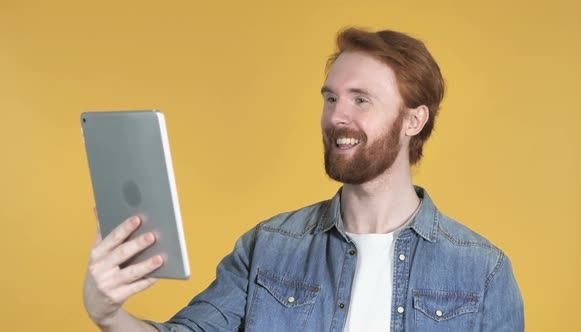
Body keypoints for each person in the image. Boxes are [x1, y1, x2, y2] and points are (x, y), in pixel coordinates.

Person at [83, 27, 525, 332]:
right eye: (331, 98)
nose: (337, 116)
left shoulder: (483, 272)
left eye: (361, 100)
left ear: (413, 120)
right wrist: (109, 314)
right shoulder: (268, 247)